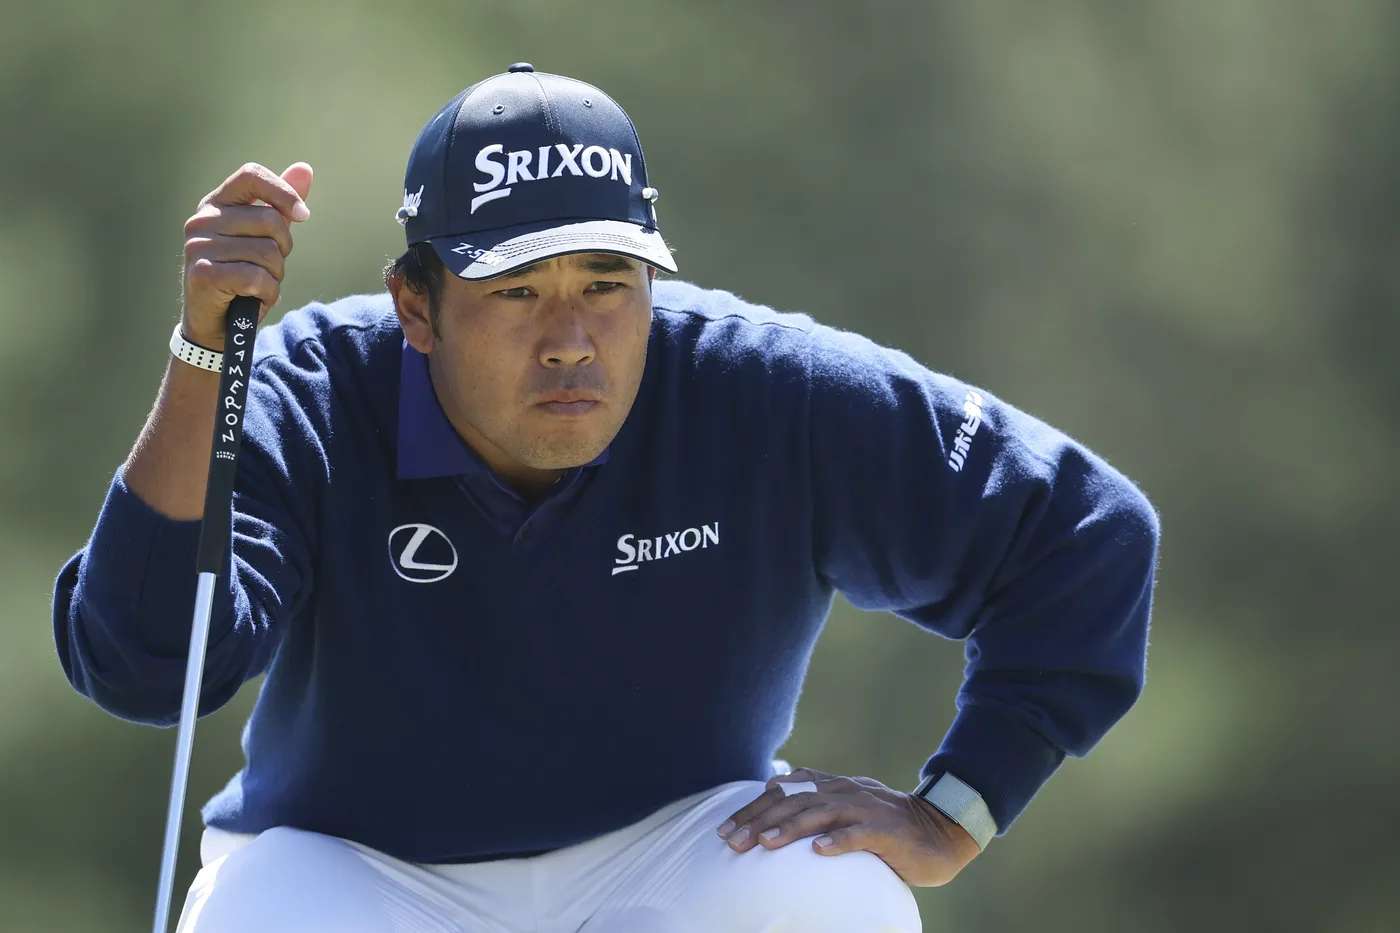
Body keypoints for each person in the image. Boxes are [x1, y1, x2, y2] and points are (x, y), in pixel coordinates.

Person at [53, 63, 1160, 932]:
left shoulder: (758, 385)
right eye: (516, 290)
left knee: (838, 900)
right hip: (350, 867)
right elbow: (142, 666)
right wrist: (205, 356)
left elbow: (1084, 531)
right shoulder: (311, 387)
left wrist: (953, 812)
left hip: (673, 851)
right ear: (417, 305)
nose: (571, 339)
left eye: (606, 283)